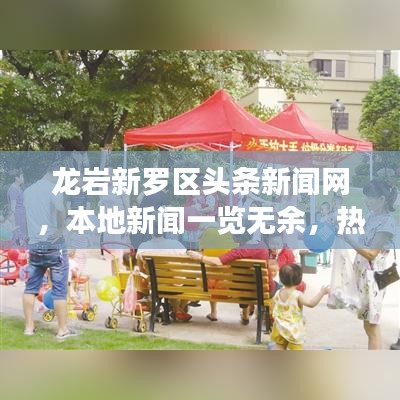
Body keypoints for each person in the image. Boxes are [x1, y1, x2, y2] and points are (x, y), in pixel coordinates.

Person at [22, 161, 78, 340]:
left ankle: (29, 327)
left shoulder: (28, 191)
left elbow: (25, 216)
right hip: (54, 245)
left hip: (35, 244)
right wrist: (61, 229)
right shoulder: (54, 189)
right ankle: (62, 330)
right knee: (60, 290)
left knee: (30, 288)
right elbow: (61, 209)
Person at [341, 179, 397, 349]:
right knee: (368, 324)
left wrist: (349, 239)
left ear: (382, 199)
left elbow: (372, 254)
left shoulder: (387, 223)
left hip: (373, 279)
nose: (366, 201)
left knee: (372, 325)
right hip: (364, 276)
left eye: (370, 197)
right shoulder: (371, 215)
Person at [187, 228, 276, 324]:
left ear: (239, 236)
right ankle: (267, 317)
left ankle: (245, 314)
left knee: (242, 282)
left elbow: (218, 261)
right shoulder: (262, 245)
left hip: (243, 291)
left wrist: (200, 257)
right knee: (276, 285)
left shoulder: (238, 252)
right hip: (264, 291)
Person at [271, 263, 330, 350]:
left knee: (279, 346)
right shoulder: (297, 295)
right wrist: (322, 293)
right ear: (299, 280)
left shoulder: (278, 292)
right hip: (294, 330)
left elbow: (273, 307)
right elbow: (311, 303)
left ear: (281, 279)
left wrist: (277, 318)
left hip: (280, 327)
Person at [136, 230, 191, 321]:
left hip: (154, 287)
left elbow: (142, 271)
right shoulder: (176, 245)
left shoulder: (143, 247)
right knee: (192, 280)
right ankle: (178, 309)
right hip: (175, 287)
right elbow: (187, 263)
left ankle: (177, 310)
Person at [7, 168, 27, 246]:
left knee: (22, 237)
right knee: (18, 238)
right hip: (17, 217)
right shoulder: (13, 190)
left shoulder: (19, 188)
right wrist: (13, 223)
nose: (23, 178)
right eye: (22, 176)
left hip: (21, 216)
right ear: (16, 178)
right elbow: (13, 208)